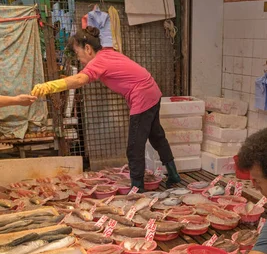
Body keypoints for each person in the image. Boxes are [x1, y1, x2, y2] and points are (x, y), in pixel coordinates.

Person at [30, 27, 180, 193]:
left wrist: (49, 86)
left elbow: (80, 79)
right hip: (152, 91)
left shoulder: (99, 61)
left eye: (77, 52)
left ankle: (138, 189)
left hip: (143, 96)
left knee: (134, 147)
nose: (79, 58)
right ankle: (173, 175)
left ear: (88, 48)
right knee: (156, 135)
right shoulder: (107, 53)